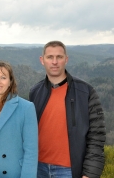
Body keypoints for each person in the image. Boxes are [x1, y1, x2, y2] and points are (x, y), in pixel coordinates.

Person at [29, 41, 106, 178]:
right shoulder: (35, 92)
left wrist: (90, 173)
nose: (54, 62)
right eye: (50, 57)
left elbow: (97, 135)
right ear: (42, 60)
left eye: (59, 57)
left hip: (70, 171)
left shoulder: (86, 92)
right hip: (37, 168)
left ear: (66, 59)